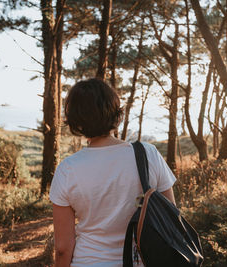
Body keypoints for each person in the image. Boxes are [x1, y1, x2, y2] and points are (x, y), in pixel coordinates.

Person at [49, 78, 177, 267]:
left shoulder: (67, 169)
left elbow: (63, 248)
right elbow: (171, 216)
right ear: (114, 112)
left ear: (76, 119)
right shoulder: (147, 154)